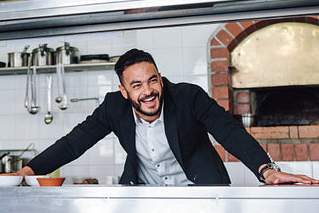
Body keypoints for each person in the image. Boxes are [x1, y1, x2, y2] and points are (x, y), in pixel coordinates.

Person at [16, 49, 318, 185]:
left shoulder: (188, 96)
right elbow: (73, 144)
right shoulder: (113, 107)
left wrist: (267, 170)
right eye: (136, 86)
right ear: (124, 91)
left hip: (199, 196)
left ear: (160, 78)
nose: (148, 92)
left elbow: (228, 131)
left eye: (152, 80)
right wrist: (25, 173)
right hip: (144, 200)